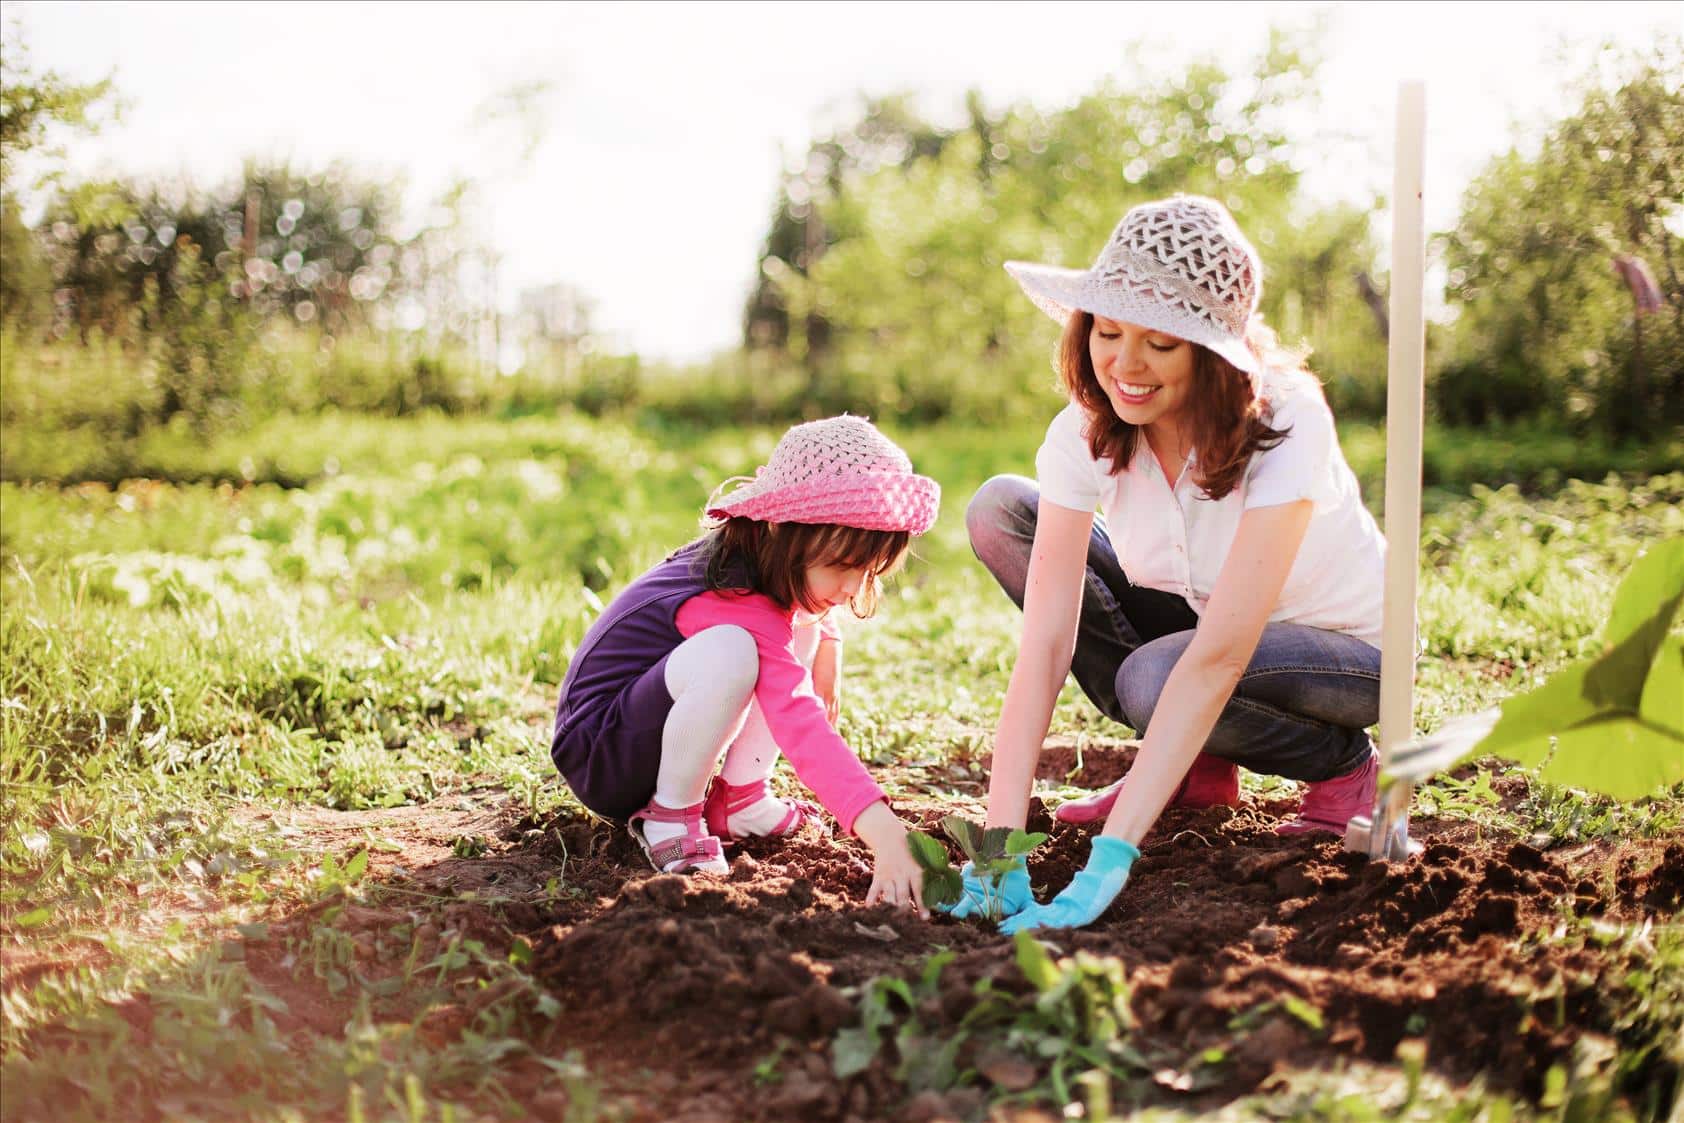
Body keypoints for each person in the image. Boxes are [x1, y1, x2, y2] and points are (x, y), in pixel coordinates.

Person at [955, 195, 1388, 933]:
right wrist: (999, 851)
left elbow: (1218, 657)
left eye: (1159, 342)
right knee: (1003, 510)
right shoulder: (1087, 430)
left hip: (1346, 657)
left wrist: (1107, 863)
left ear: (1212, 355)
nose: (1125, 364)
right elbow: (1048, 644)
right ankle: (1194, 766)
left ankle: (1344, 767)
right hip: (1203, 620)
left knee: (1155, 680)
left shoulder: (1287, 420)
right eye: (1107, 331)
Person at [550, 415, 939, 913]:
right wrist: (884, 833)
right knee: (732, 649)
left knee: (802, 623)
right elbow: (799, 722)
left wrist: (828, 641)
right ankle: (670, 818)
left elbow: (804, 619)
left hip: (646, 733)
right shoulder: (727, 595)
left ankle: (741, 799)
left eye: (869, 572)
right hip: (602, 755)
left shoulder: (761, 563)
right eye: (842, 567)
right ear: (780, 527)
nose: (852, 589)